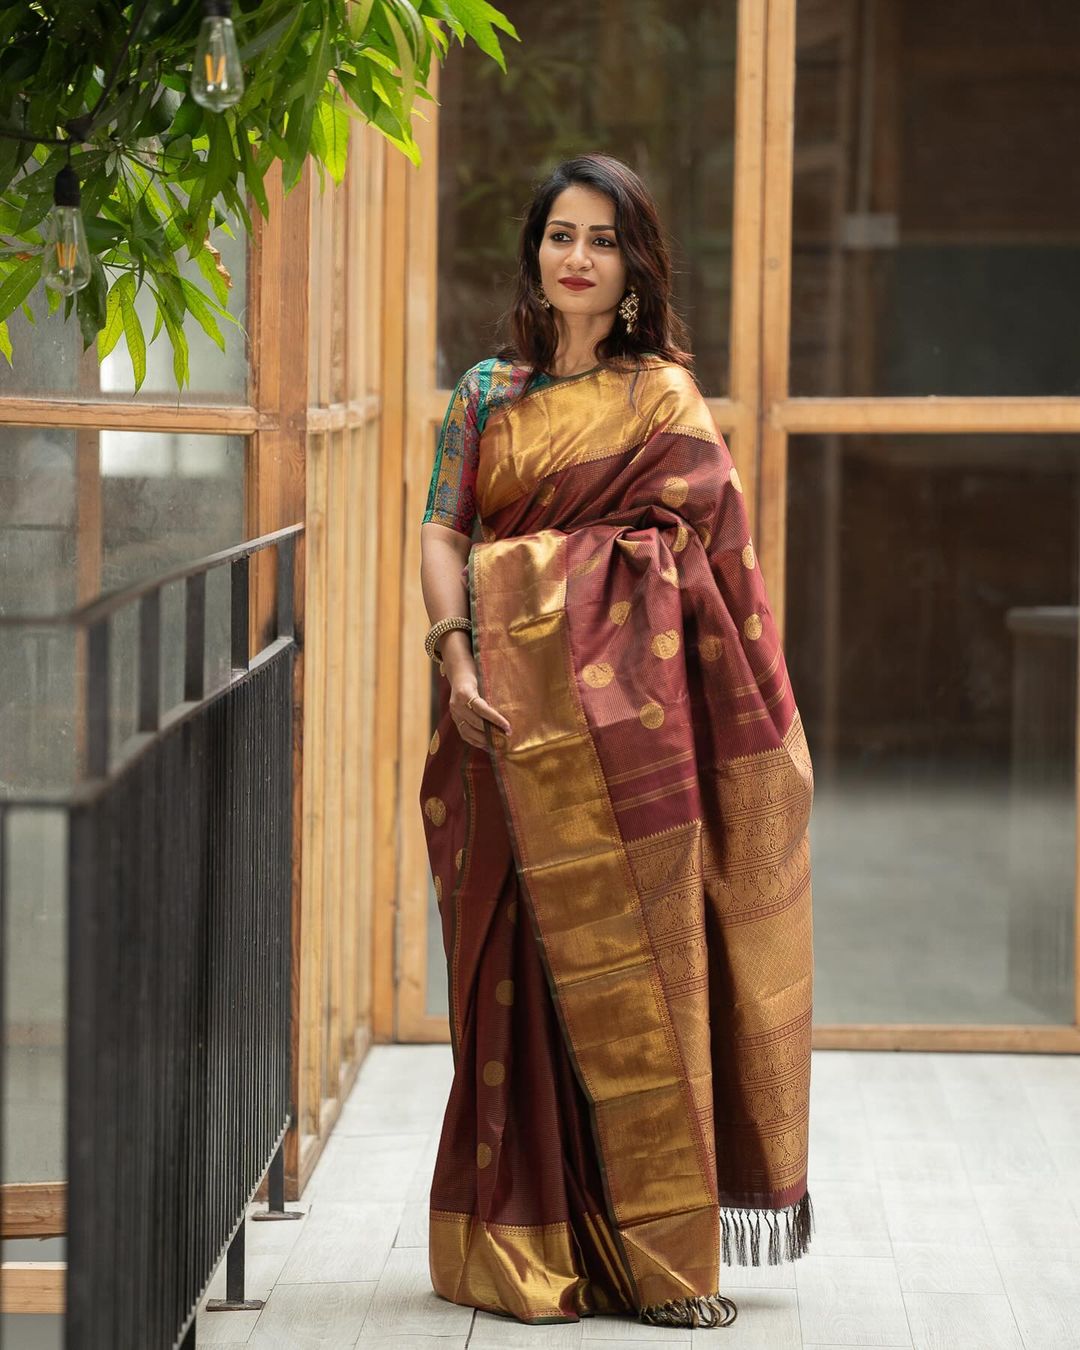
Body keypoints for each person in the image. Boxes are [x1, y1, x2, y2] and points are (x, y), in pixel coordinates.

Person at [418, 153, 815, 1330]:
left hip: (635, 748)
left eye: (598, 239)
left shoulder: (666, 401)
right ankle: (528, 1237)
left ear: (632, 264)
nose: (575, 258)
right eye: (558, 236)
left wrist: (549, 589)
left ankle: (661, 1257)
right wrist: (457, 655)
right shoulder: (486, 392)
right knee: (520, 980)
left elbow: (707, 572)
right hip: (498, 722)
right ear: (535, 252)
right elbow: (441, 531)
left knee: (646, 971)